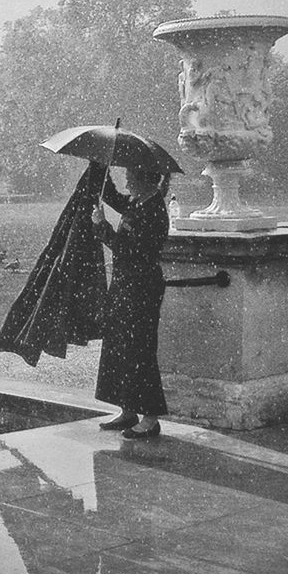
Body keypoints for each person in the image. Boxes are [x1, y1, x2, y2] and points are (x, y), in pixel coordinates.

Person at [91, 164, 171, 439]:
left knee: (139, 348)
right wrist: (100, 167)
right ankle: (128, 409)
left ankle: (150, 417)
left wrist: (102, 227)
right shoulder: (139, 202)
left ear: (144, 179)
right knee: (120, 343)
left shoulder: (153, 210)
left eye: (130, 176)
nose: (126, 180)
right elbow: (113, 197)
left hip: (142, 288)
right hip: (126, 284)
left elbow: (128, 249)